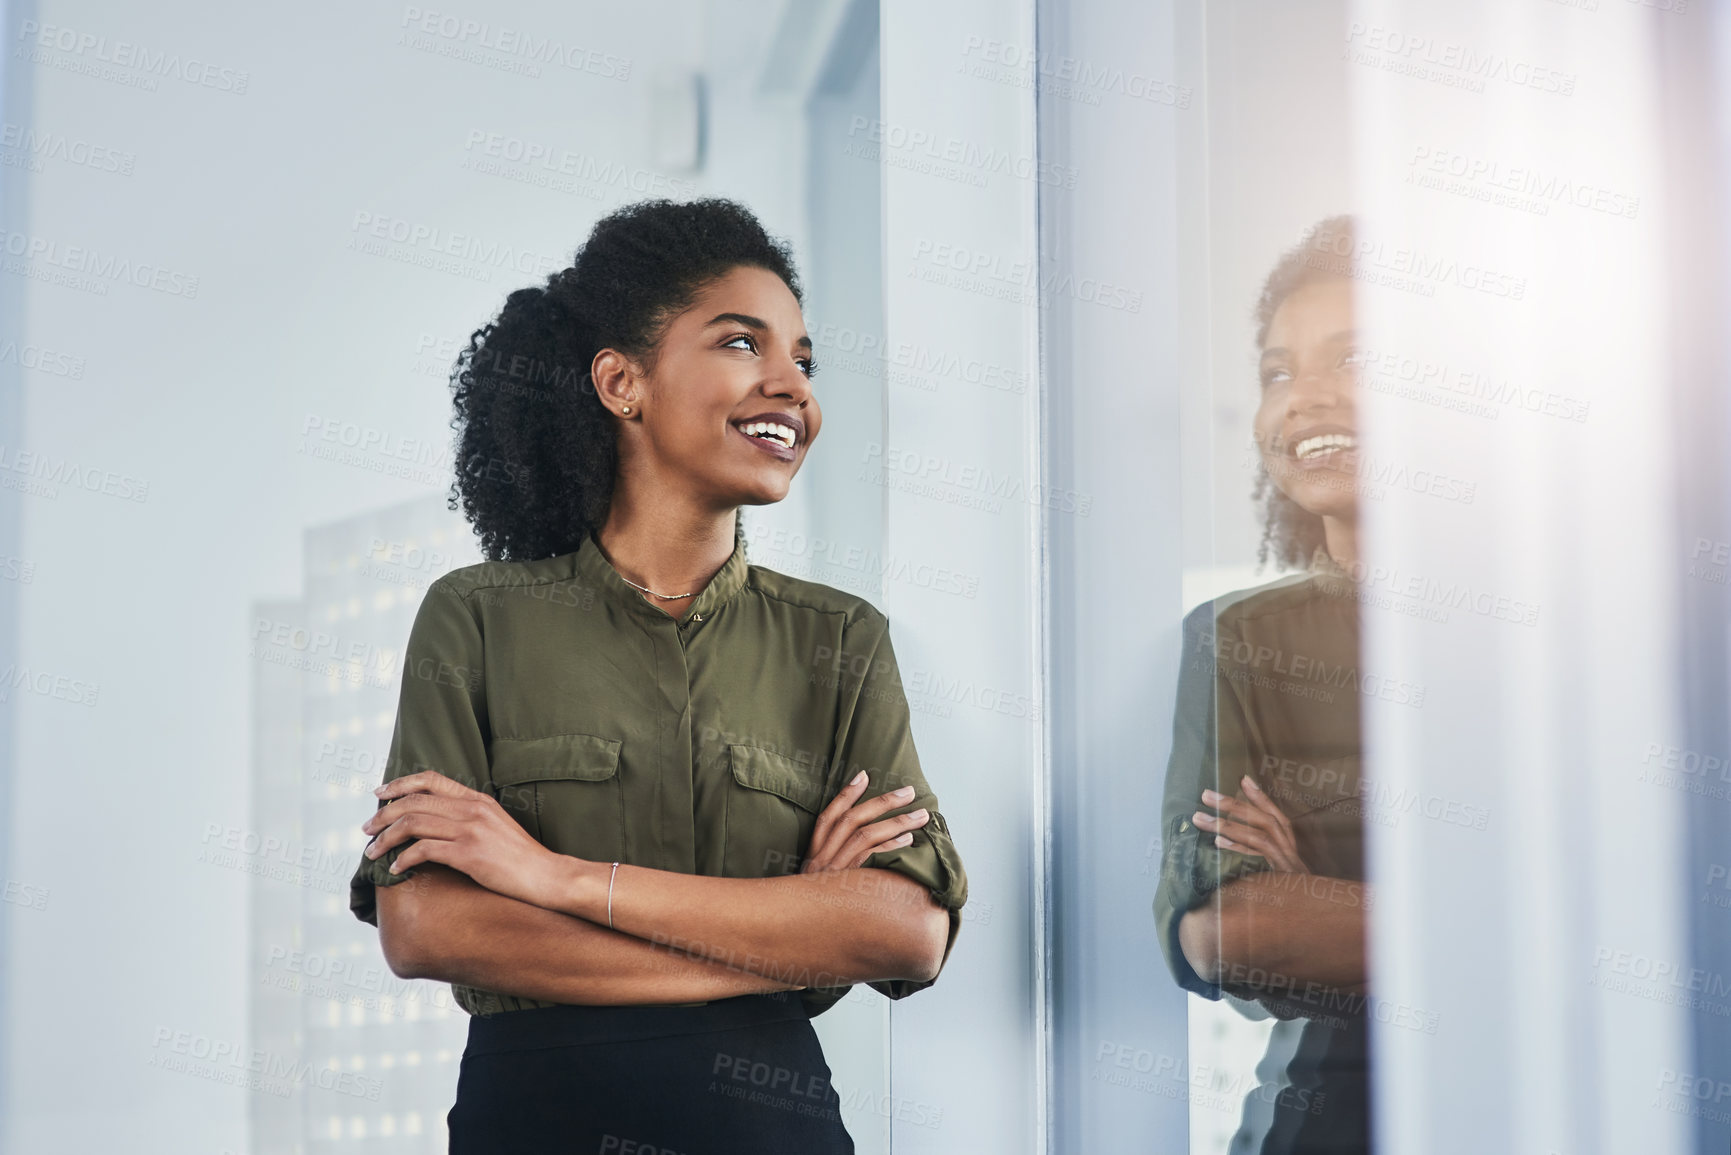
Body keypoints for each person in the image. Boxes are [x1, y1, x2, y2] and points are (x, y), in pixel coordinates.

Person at [347, 197, 969, 1153]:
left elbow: (903, 933)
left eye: (802, 359)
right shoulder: (475, 617)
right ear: (621, 382)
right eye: (740, 343)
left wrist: (546, 875)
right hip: (538, 1122)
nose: (790, 386)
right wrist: (786, 945)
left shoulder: (842, 640)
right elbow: (427, 928)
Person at [1154, 215, 1375, 1153]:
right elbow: (1229, 932)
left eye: (1353, 357)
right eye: (1278, 372)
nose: (1303, 398)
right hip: (1321, 1120)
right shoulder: (1241, 639)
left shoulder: (1582, 631)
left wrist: (1326, 905)